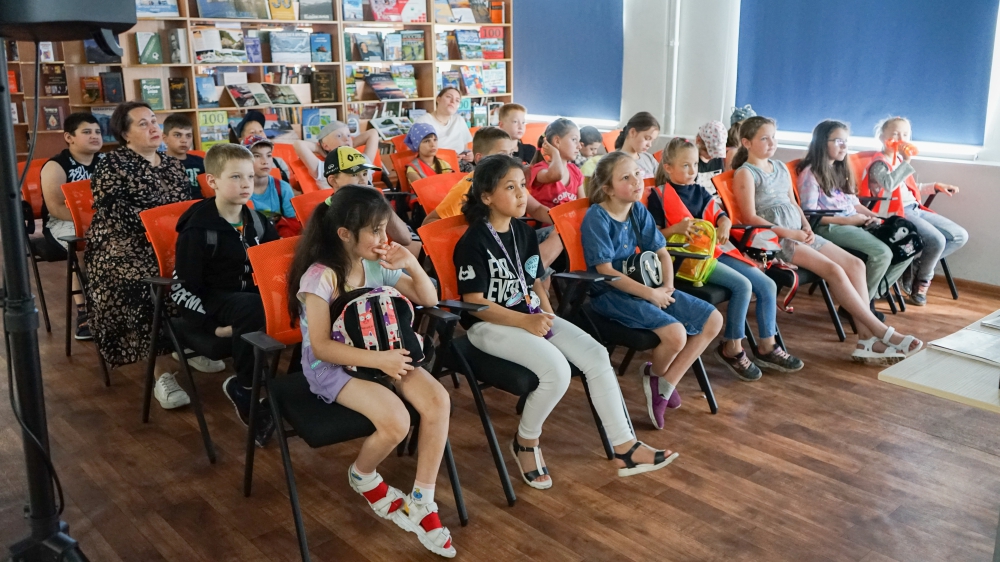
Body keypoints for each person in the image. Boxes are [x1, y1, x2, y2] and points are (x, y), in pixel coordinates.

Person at [455, 154, 678, 488]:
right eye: (510, 187)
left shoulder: (523, 232)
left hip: (530, 316)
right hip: (489, 326)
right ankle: (525, 441)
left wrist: (548, 314)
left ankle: (625, 448)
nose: (521, 194)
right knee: (557, 371)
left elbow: (535, 281)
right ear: (486, 197)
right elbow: (474, 304)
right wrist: (525, 322)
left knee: (596, 354)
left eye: (523, 186)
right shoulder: (473, 242)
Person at [286, 186, 455, 558]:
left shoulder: (377, 265)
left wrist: (410, 263)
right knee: (397, 422)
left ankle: (422, 500)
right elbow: (321, 346)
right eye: (376, 231)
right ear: (344, 234)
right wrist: (381, 362)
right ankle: (363, 475)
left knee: (438, 401)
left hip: (382, 352)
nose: (384, 238)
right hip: (334, 366)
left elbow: (429, 299)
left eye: (384, 229)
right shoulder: (320, 277)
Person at [731, 116, 923, 364]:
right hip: (774, 240)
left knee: (856, 265)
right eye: (764, 138)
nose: (772, 143)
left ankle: (866, 341)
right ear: (747, 142)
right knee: (834, 270)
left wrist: (804, 226)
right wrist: (790, 233)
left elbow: (794, 204)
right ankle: (881, 332)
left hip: (799, 232)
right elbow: (750, 217)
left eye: (774, 137)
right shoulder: (745, 173)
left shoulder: (779, 167)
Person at [581, 152, 722, 429]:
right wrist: (651, 295)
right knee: (676, 334)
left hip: (648, 285)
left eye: (637, 173)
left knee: (713, 320)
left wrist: (667, 287)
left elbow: (662, 252)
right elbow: (605, 272)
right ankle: (657, 379)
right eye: (626, 178)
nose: (637, 181)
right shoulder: (597, 217)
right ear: (608, 189)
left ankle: (664, 383)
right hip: (610, 294)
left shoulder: (637, 210)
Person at [650, 138, 803, 381]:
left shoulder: (699, 191)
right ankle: (732, 347)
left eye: (694, 165)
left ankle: (767, 346)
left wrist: (724, 224)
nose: (692, 171)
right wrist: (675, 229)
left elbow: (721, 215)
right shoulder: (657, 196)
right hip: (689, 261)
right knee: (742, 285)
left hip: (715, 252)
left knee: (767, 285)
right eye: (685, 166)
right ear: (668, 167)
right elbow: (653, 237)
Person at [84, 101, 195, 410]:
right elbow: (114, 212)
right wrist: (158, 227)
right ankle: (161, 374)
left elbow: (183, 209)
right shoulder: (111, 163)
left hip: (169, 242)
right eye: (143, 124)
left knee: (208, 266)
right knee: (147, 285)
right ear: (125, 134)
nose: (153, 128)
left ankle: (192, 344)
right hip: (121, 245)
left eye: (154, 121)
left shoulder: (172, 164)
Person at [173, 143, 279, 446]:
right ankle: (244, 387)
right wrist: (211, 327)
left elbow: (277, 263)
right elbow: (183, 287)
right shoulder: (198, 230)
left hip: (250, 298)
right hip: (213, 300)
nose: (246, 184)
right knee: (253, 307)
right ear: (213, 181)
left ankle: (300, 384)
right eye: (235, 177)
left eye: (249, 176)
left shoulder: (257, 222)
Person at [797, 120, 913, 301]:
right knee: (883, 253)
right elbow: (810, 215)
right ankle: (860, 305)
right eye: (838, 141)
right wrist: (849, 221)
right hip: (830, 227)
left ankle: (870, 296)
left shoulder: (839, 168)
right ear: (822, 142)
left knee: (908, 246)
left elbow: (854, 203)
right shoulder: (811, 174)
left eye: (845, 141)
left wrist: (876, 218)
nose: (844, 146)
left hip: (854, 222)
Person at [425, 128, 563, 277]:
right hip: (487, 250)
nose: (509, 160)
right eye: (503, 154)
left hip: (509, 240)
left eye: (511, 154)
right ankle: (528, 274)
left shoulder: (512, 182)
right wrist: (468, 233)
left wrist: (562, 220)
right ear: (480, 158)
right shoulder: (465, 189)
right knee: (541, 274)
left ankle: (529, 274)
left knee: (560, 230)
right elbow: (429, 223)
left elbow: (536, 209)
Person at [864, 116, 968, 306]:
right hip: (896, 213)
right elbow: (889, 185)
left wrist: (934, 186)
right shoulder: (879, 163)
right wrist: (907, 161)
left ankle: (914, 264)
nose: (901, 139)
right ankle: (922, 281)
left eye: (905, 135)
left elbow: (908, 188)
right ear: (882, 137)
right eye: (895, 134)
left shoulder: (897, 160)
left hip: (914, 207)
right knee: (937, 240)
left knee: (960, 236)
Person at [39, 112, 105, 340]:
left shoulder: (106, 163)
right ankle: (84, 312)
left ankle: (113, 307)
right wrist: (92, 223)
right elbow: (56, 207)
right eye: (87, 132)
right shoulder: (56, 166)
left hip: (100, 221)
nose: (94, 136)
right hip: (63, 222)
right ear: (69, 137)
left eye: (97, 131)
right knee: (83, 249)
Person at [324, 146, 419, 255]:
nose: (363, 181)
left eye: (365, 174)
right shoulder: (329, 211)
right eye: (354, 174)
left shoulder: (374, 202)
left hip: (382, 258)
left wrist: (381, 201)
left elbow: (405, 239)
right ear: (333, 181)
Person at [293, 119, 380, 182]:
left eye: (348, 135)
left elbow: (373, 133)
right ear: (326, 146)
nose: (346, 139)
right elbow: (298, 144)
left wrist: (349, 146)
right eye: (339, 136)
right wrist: (321, 150)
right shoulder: (325, 168)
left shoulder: (363, 160)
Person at [414, 87, 473, 171]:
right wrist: (448, 159)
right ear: (438, 99)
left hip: (461, 165)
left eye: (457, 100)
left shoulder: (459, 120)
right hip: (436, 168)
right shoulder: (423, 122)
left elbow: (465, 148)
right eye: (449, 97)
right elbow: (417, 154)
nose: (453, 101)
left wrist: (469, 155)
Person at [528, 118, 582, 208]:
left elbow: (582, 205)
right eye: (574, 139)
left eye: (579, 141)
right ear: (557, 141)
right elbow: (557, 175)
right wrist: (555, 154)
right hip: (545, 217)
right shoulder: (539, 169)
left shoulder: (575, 171)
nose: (579, 146)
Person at [242, 135, 296, 222]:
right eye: (257, 156)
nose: (265, 161)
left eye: (269, 155)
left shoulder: (283, 188)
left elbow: (292, 223)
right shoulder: (238, 190)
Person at [234, 110, 293, 182]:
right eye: (252, 132)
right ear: (241, 140)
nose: (259, 134)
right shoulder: (237, 166)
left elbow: (287, 186)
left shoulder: (278, 162)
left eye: (261, 131)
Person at [162, 113, 204, 200]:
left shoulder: (201, 162)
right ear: (165, 138)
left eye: (188, 135)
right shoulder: (159, 163)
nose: (184, 140)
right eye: (177, 135)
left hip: (200, 205)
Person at [613, 112, 660, 178]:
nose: (649, 145)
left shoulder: (649, 158)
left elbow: (662, 180)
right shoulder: (613, 162)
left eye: (652, 140)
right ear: (632, 132)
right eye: (647, 138)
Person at [694, 120, 727, 191]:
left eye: (716, 153)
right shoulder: (692, 160)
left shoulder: (718, 159)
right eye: (709, 151)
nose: (712, 156)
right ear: (698, 140)